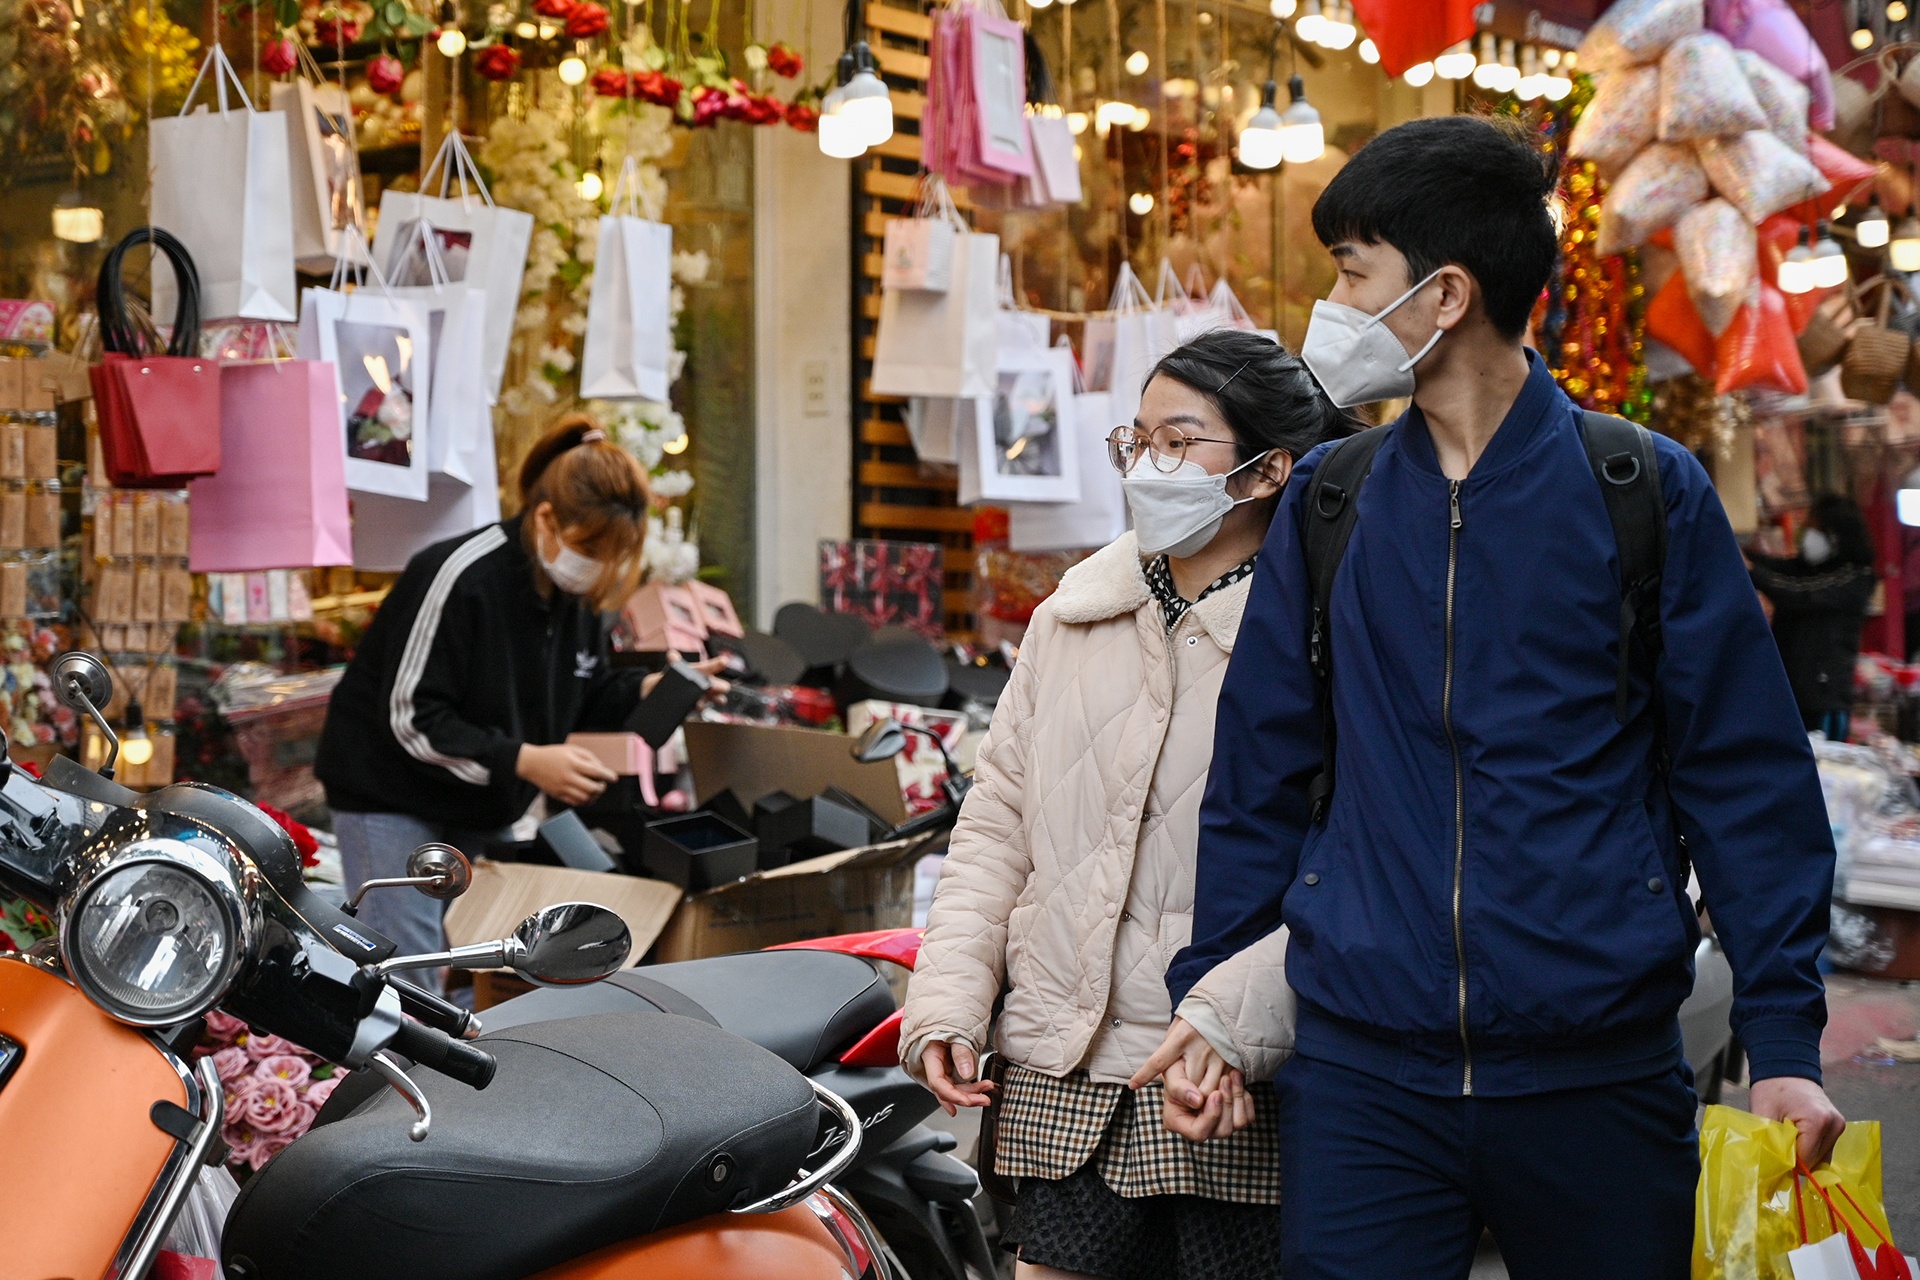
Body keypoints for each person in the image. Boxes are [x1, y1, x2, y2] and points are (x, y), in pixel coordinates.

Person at [1133, 116, 1844, 1280]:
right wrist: (1215, 1000)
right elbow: (1259, 776)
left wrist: (1784, 1037)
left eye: (1354, 270)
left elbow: (1745, 779)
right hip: (1365, 1081)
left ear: (1446, 293)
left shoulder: (1642, 492)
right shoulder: (1332, 499)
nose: (1333, 301)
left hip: (1598, 1074)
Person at [898, 329, 1354, 1280]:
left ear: (1269, 471)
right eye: (1134, 440)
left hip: (1229, 1076)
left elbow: (1357, 859)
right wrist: (947, 1001)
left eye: (1178, 440)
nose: (1147, 465)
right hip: (1066, 1078)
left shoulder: (1329, 627)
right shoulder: (1072, 614)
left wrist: (1239, 1022)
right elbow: (995, 826)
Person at [315, 413, 725, 960]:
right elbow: (411, 718)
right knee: (406, 978)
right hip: (391, 797)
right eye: (590, 548)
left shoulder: (573, 598)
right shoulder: (462, 576)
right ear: (545, 518)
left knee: (483, 969)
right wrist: (525, 760)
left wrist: (647, 689)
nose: (598, 567)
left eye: (612, 555)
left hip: (484, 806)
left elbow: (582, 690)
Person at [1749, 494, 1878, 742]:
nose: (1806, 533)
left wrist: (1753, 572)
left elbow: (1799, 593)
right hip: (1791, 695)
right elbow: (1782, 570)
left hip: (1822, 702)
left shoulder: (1854, 578)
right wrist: (1742, 556)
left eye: (1814, 527)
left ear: (1835, 535)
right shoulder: (1811, 569)